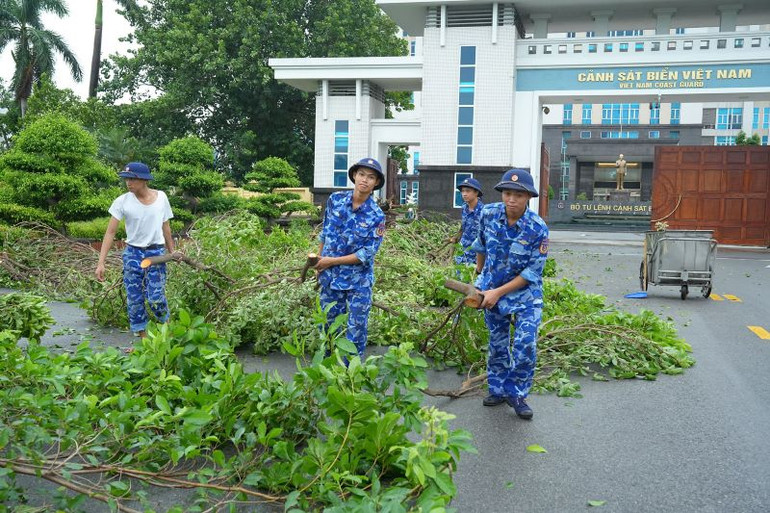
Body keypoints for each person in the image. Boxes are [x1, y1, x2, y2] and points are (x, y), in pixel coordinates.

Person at [471, 168, 549, 420]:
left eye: (518, 195)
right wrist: (479, 277)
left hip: (525, 295)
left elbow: (532, 273)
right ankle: (497, 389)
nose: (511, 199)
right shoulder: (488, 214)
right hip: (491, 288)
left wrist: (498, 292)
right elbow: (481, 245)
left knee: (525, 344)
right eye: (507, 193)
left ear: (529, 197)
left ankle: (517, 394)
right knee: (497, 344)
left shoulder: (537, 228)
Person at [315, 157, 386, 359]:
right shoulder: (335, 200)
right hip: (330, 277)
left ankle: (351, 370)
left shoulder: (376, 216)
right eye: (361, 174)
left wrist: (331, 261)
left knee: (356, 328)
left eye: (370, 177)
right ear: (354, 175)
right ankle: (329, 367)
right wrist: (319, 261)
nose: (364, 180)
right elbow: (325, 232)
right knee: (329, 326)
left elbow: (366, 254)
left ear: (376, 183)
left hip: (358, 281)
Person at [95, 162, 175, 339]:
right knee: (135, 300)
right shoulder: (122, 201)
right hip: (133, 254)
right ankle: (144, 342)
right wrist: (101, 263)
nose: (128, 183)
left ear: (144, 180)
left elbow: (166, 227)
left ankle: (169, 335)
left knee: (156, 298)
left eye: (132, 179)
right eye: (126, 179)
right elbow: (110, 232)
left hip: (156, 254)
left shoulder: (161, 198)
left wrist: (173, 252)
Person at [450, 178, 484, 266]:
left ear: (476, 193)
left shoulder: (484, 211)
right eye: (463, 191)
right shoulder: (464, 207)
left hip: (476, 256)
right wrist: (456, 238)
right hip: (462, 253)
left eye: (468, 191)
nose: (464, 194)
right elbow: (463, 228)